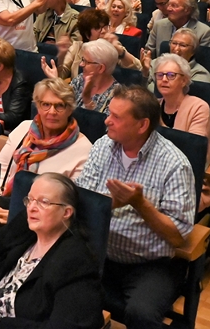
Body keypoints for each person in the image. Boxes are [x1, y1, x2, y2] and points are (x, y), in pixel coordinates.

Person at [75, 87, 196, 329]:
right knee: (59, 284)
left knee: (141, 315)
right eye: (109, 113)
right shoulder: (103, 146)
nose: (106, 120)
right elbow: (82, 200)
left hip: (150, 264)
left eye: (116, 117)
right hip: (101, 252)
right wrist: (110, 204)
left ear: (142, 126)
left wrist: (140, 204)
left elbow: (178, 236)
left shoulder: (174, 164)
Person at [0, 172, 106, 329]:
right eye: (30, 200)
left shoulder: (76, 262)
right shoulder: (25, 227)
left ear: (66, 212)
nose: (31, 208)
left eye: (43, 202)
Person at [0, 78, 93, 210]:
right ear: (38, 106)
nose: (52, 112)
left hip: (43, 217)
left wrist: (18, 216)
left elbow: (69, 203)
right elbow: (1, 171)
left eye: (60, 105)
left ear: (70, 109)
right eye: (46, 104)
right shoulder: (24, 128)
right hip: (3, 203)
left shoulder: (84, 150)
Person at [151, 53, 210, 208]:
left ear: (184, 80)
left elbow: (192, 150)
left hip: (188, 178)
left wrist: (159, 123)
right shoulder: (154, 106)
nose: (164, 79)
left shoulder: (198, 107)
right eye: (160, 75)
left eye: (171, 75)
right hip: (153, 173)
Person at [145, 0, 210, 56]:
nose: (168, 9)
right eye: (168, 5)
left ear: (187, 10)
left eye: (174, 5)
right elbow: (148, 53)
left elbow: (203, 62)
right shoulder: (159, 25)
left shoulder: (204, 32)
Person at [140, 28, 210, 88]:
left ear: (192, 51)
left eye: (183, 45)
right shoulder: (155, 63)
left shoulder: (200, 74)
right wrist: (145, 72)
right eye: (174, 43)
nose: (176, 49)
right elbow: (142, 90)